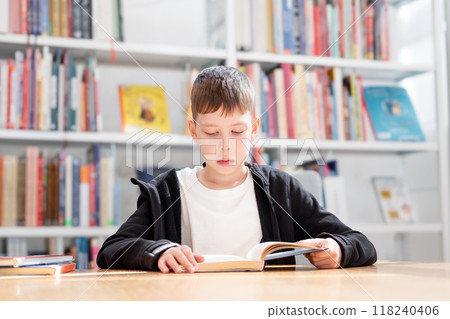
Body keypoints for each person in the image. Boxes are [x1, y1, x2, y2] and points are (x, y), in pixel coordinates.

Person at [97, 66, 377, 273]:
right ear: (193, 131)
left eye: (237, 131)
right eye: (212, 133)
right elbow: (112, 249)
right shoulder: (168, 190)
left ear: (254, 128)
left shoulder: (281, 189)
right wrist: (159, 252)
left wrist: (337, 249)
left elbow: (361, 243)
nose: (225, 146)